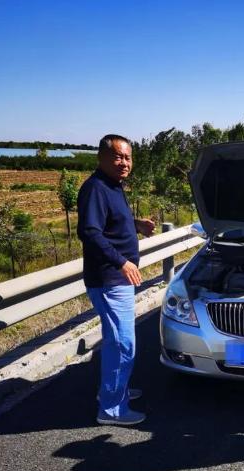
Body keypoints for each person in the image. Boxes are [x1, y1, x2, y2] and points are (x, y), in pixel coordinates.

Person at [77, 134, 155, 426]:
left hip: (115, 279)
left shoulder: (112, 186)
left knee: (117, 341)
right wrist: (121, 262)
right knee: (122, 343)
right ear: (102, 158)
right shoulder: (96, 188)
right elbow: (90, 232)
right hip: (109, 279)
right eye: (118, 157)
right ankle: (111, 408)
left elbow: (109, 224)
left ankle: (114, 391)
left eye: (128, 157)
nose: (124, 163)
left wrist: (136, 225)